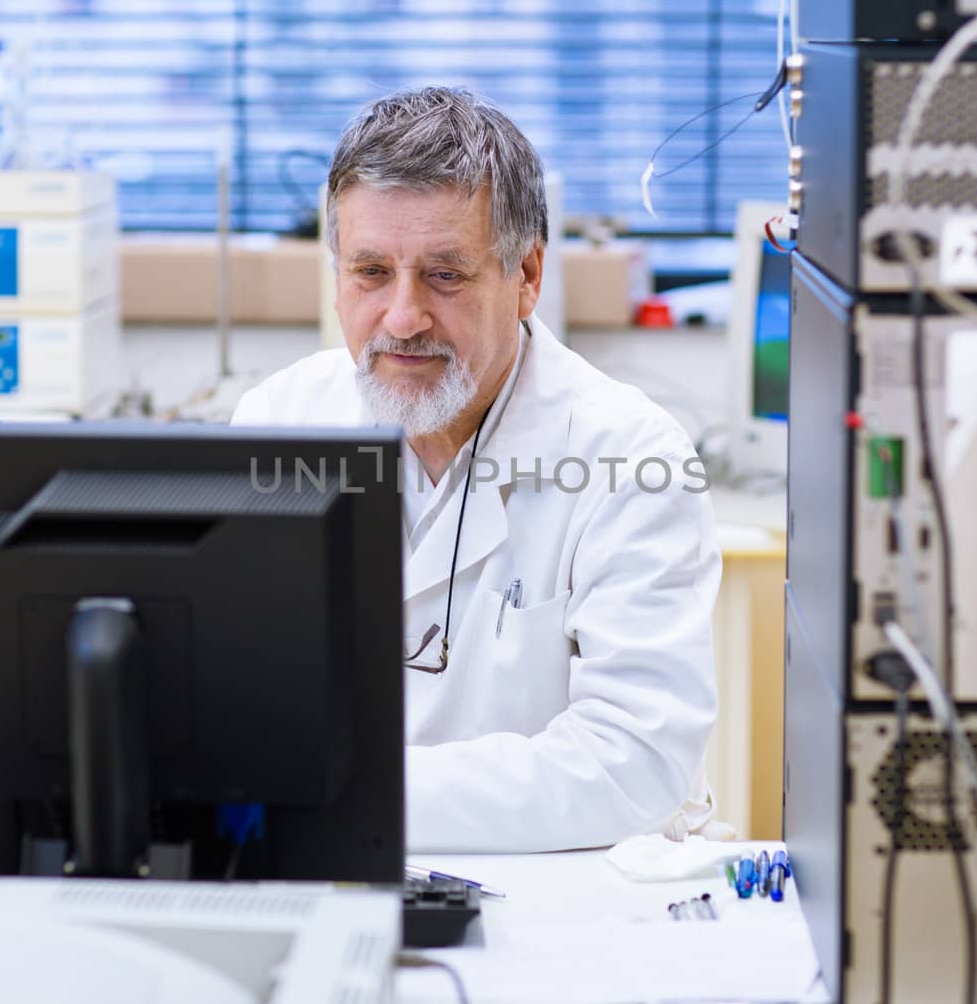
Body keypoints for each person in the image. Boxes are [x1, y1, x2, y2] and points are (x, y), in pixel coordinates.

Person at [232, 86, 721, 853]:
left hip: (566, 900)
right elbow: (238, 707)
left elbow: (635, 762)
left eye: (445, 276)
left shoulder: (631, 458)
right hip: (329, 871)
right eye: (369, 272)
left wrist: (353, 791)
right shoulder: (275, 426)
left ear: (526, 275)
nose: (401, 317)